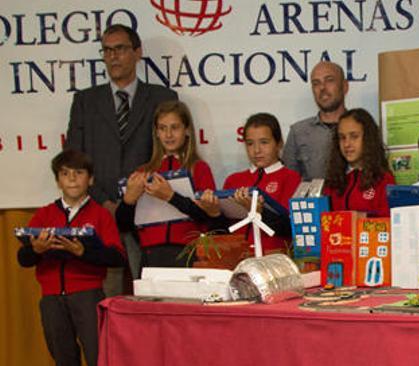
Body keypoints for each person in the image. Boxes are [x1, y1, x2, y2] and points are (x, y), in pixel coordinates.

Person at [17, 150, 125, 366]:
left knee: (97, 364)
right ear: (58, 181)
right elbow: (23, 259)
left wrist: (82, 252)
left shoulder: (100, 215)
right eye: (66, 174)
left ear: (89, 179)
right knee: (65, 365)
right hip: (52, 299)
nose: (72, 179)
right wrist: (36, 249)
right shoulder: (44, 215)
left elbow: (116, 257)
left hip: (87, 295)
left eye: (78, 173)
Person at [65, 24, 177, 290]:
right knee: (107, 295)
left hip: (149, 208)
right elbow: (74, 158)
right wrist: (104, 201)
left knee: (152, 292)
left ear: (137, 52)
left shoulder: (163, 97)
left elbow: (170, 154)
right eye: (107, 50)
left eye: (120, 49)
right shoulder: (85, 101)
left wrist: (136, 196)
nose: (113, 56)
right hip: (100, 208)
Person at [115, 101, 218, 269]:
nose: (168, 134)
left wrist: (171, 197)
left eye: (175, 127)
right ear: (156, 132)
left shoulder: (198, 168)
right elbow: (123, 225)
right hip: (150, 255)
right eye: (162, 128)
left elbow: (208, 217)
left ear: (187, 130)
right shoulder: (143, 171)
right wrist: (128, 201)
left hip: (188, 253)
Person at [201, 113, 301, 254]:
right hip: (236, 260)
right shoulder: (233, 180)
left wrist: (260, 212)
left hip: (274, 259)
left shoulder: (291, 178)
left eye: (264, 142)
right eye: (250, 143)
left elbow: (291, 229)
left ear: (279, 144)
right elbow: (223, 233)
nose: (257, 150)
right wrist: (214, 214)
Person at [281, 61, 348, 180]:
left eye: (329, 80)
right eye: (316, 83)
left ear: (345, 86)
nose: (322, 87)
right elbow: (288, 184)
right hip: (313, 198)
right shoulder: (298, 132)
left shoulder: (362, 127)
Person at [323, 108, 396, 216]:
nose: (347, 144)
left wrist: (360, 217)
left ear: (368, 138)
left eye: (354, 136)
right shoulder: (333, 182)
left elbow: (388, 219)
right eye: (342, 137)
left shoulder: (383, 180)